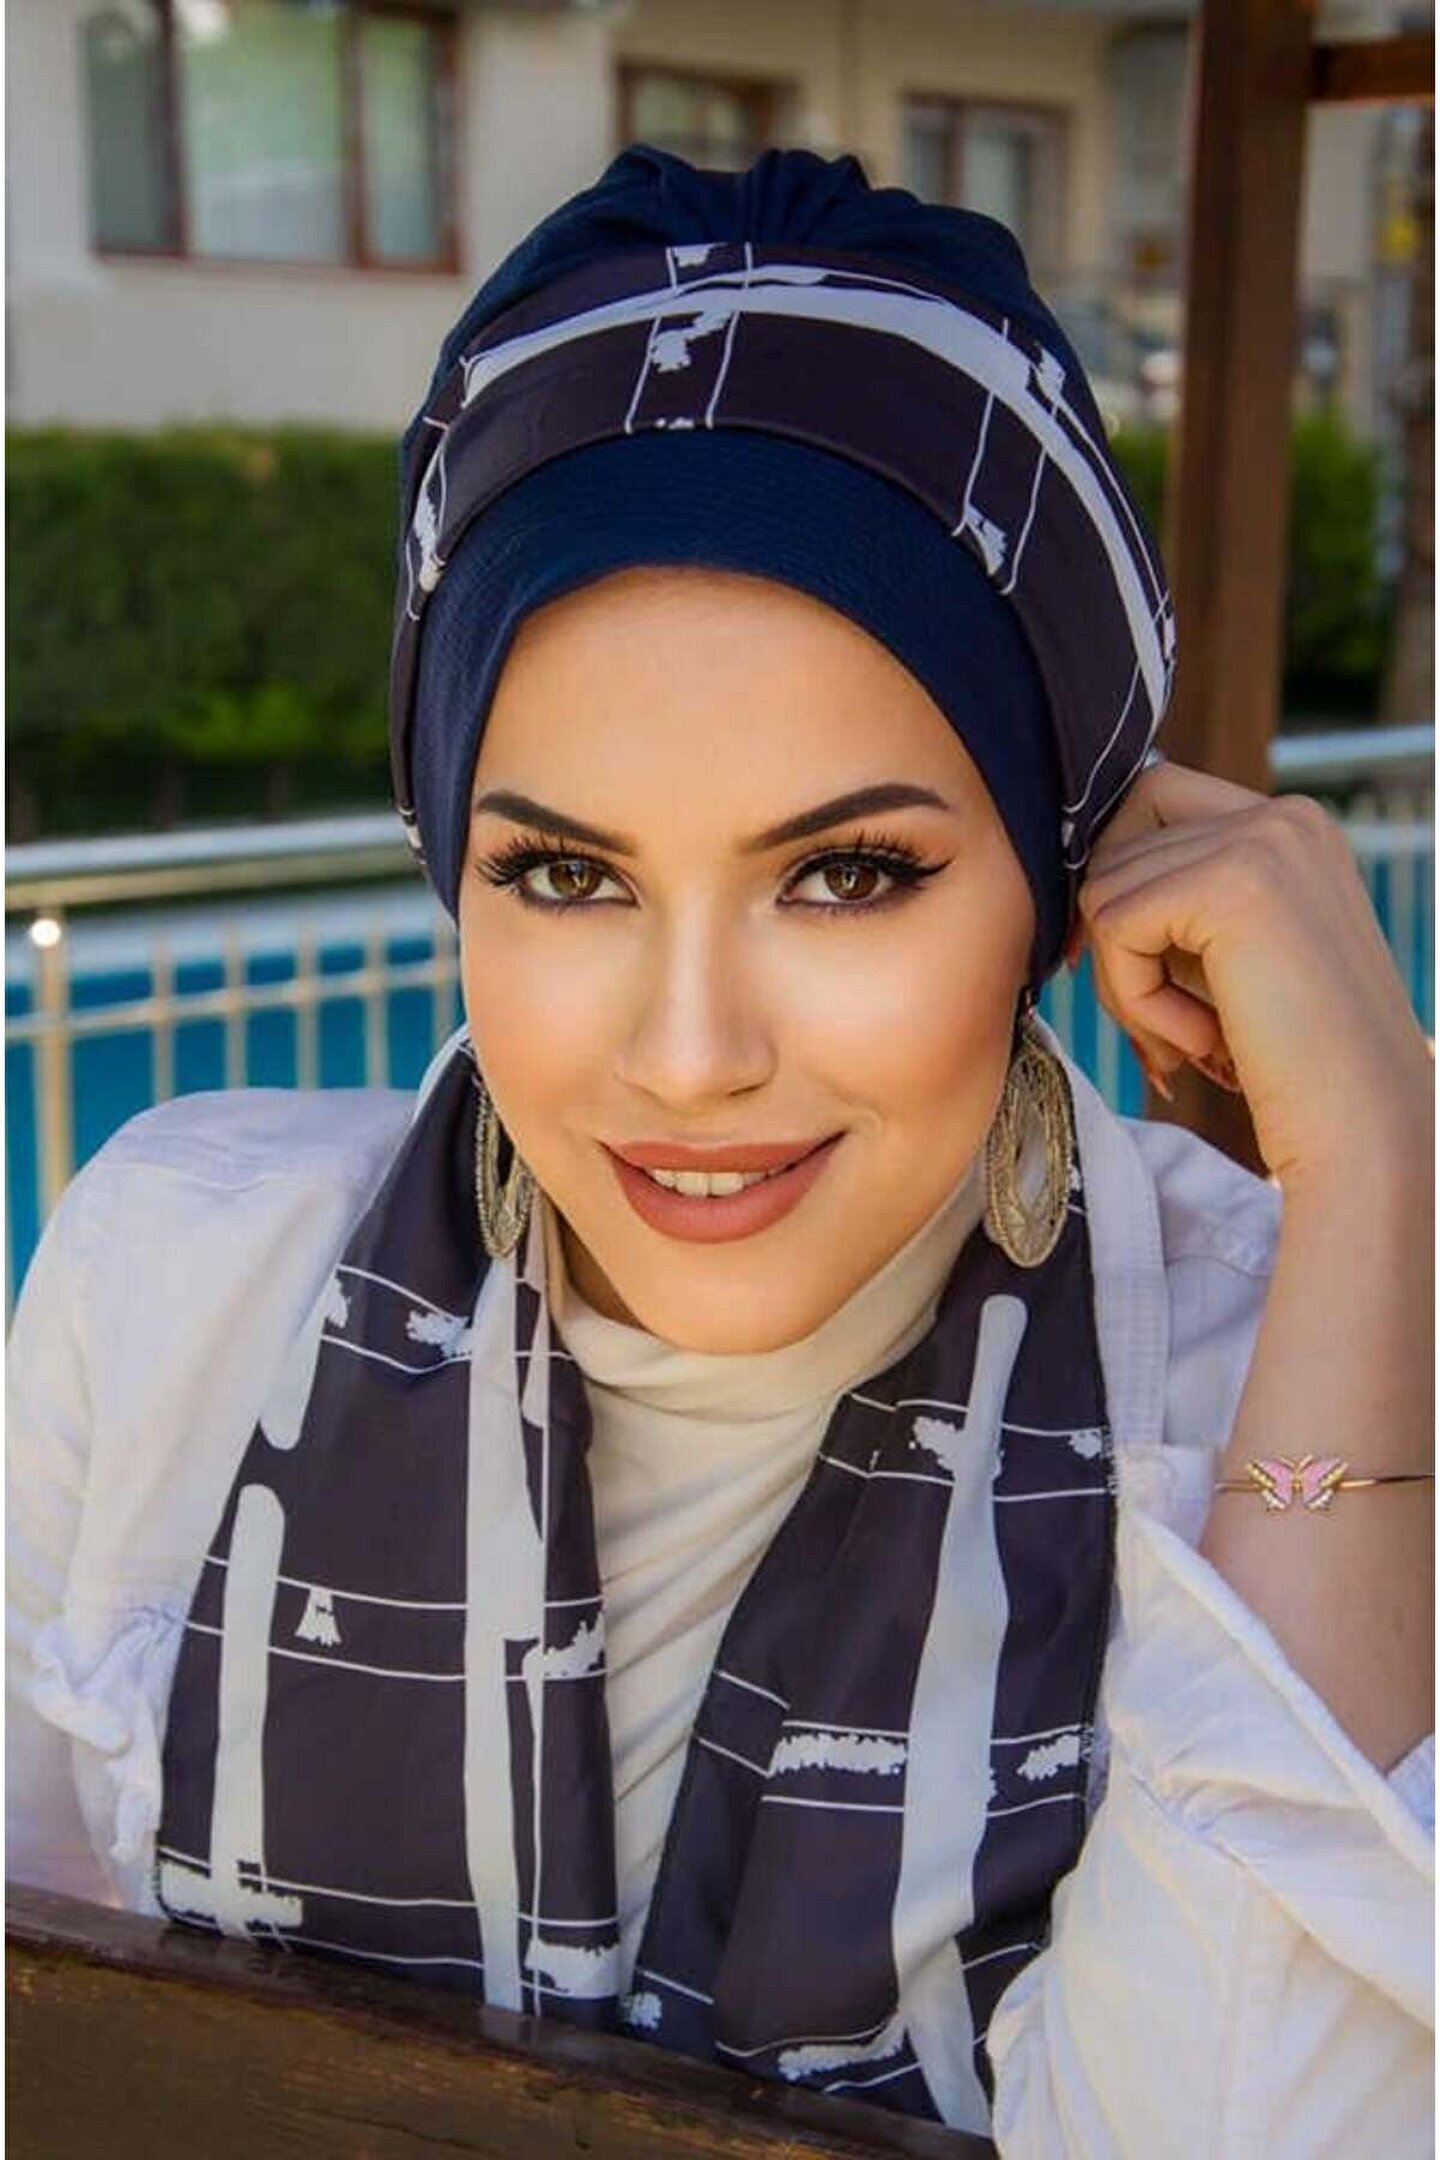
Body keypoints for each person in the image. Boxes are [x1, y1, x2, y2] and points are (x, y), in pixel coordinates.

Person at [7, 146, 1433, 2153]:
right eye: (565, 874)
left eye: (847, 874)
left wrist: (1381, 1158)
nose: (690, 1058)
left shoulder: (1272, 1385)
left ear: (1049, 886)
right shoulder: (181, 1282)